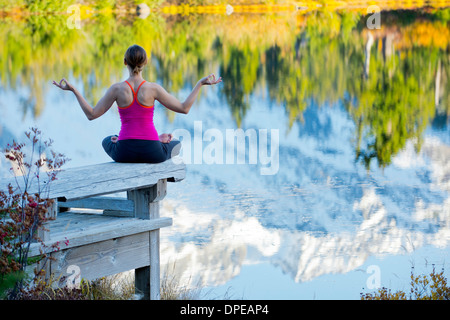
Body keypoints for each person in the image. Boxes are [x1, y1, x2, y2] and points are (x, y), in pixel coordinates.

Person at [53, 44, 222, 163]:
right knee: (175, 143)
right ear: (145, 63)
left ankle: (124, 139)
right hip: (152, 151)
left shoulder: (116, 89)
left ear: (125, 62)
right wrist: (200, 83)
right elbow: (184, 108)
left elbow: (91, 115)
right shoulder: (153, 89)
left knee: (107, 140)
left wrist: (74, 90)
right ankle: (157, 140)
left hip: (124, 151)